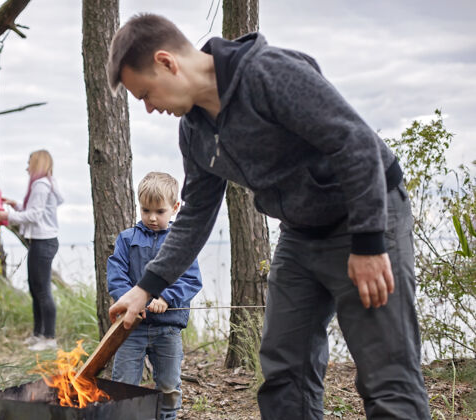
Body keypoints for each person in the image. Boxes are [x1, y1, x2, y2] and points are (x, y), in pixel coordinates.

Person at [106, 14, 431, 419]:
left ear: (167, 62)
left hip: (365, 214)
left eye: (146, 94)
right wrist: (146, 288)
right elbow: (195, 216)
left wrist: (369, 242)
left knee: (387, 374)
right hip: (299, 232)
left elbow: (356, 142)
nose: (150, 108)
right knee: (284, 369)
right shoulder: (194, 130)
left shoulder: (268, 73)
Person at [107, 172, 202, 420]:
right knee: (123, 386)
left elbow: (192, 280)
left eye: (159, 211)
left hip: (168, 330)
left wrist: (166, 298)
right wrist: (128, 302)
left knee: (169, 387)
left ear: (175, 208)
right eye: (145, 210)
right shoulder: (126, 240)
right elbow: (116, 276)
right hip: (131, 328)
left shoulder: (180, 243)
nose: (151, 217)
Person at [0, 150, 64, 352]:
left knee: (42, 290)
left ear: (37, 163)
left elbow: (34, 215)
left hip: (44, 242)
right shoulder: (44, 184)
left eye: (29, 163)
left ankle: (49, 338)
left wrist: (6, 216)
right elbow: (35, 210)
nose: (27, 167)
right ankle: (38, 334)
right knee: (35, 288)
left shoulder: (40, 185)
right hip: (40, 241)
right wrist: (15, 205)